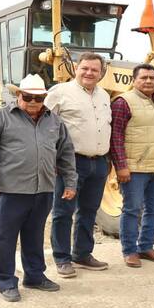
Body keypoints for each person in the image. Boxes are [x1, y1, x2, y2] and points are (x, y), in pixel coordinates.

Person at [0, 74, 77, 302]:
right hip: (10, 190)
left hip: (43, 190)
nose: (32, 102)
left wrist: (70, 182)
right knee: (5, 238)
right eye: (27, 96)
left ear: (44, 98)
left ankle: (35, 276)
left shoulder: (55, 122)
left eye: (38, 98)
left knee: (34, 235)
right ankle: (5, 281)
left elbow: (66, 153)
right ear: (18, 95)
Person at [44, 52, 111, 279]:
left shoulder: (104, 96)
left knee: (89, 211)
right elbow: (43, 126)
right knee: (63, 212)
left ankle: (82, 254)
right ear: (76, 68)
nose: (89, 73)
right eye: (85, 68)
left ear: (101, 73)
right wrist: (52, 158)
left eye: (94, 69)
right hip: (70, 163)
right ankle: (62, 258)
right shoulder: (60, 93)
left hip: (99, 162)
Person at [109, 63, 154, 268]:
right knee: (132, 209)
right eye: (143, 77)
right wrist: (121, 166)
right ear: (134, 80)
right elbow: (116, 137)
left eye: (152, 78)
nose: (148, 81)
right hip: (134, 168)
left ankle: (146, 246)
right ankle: (129, 251)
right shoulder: (123, 102)